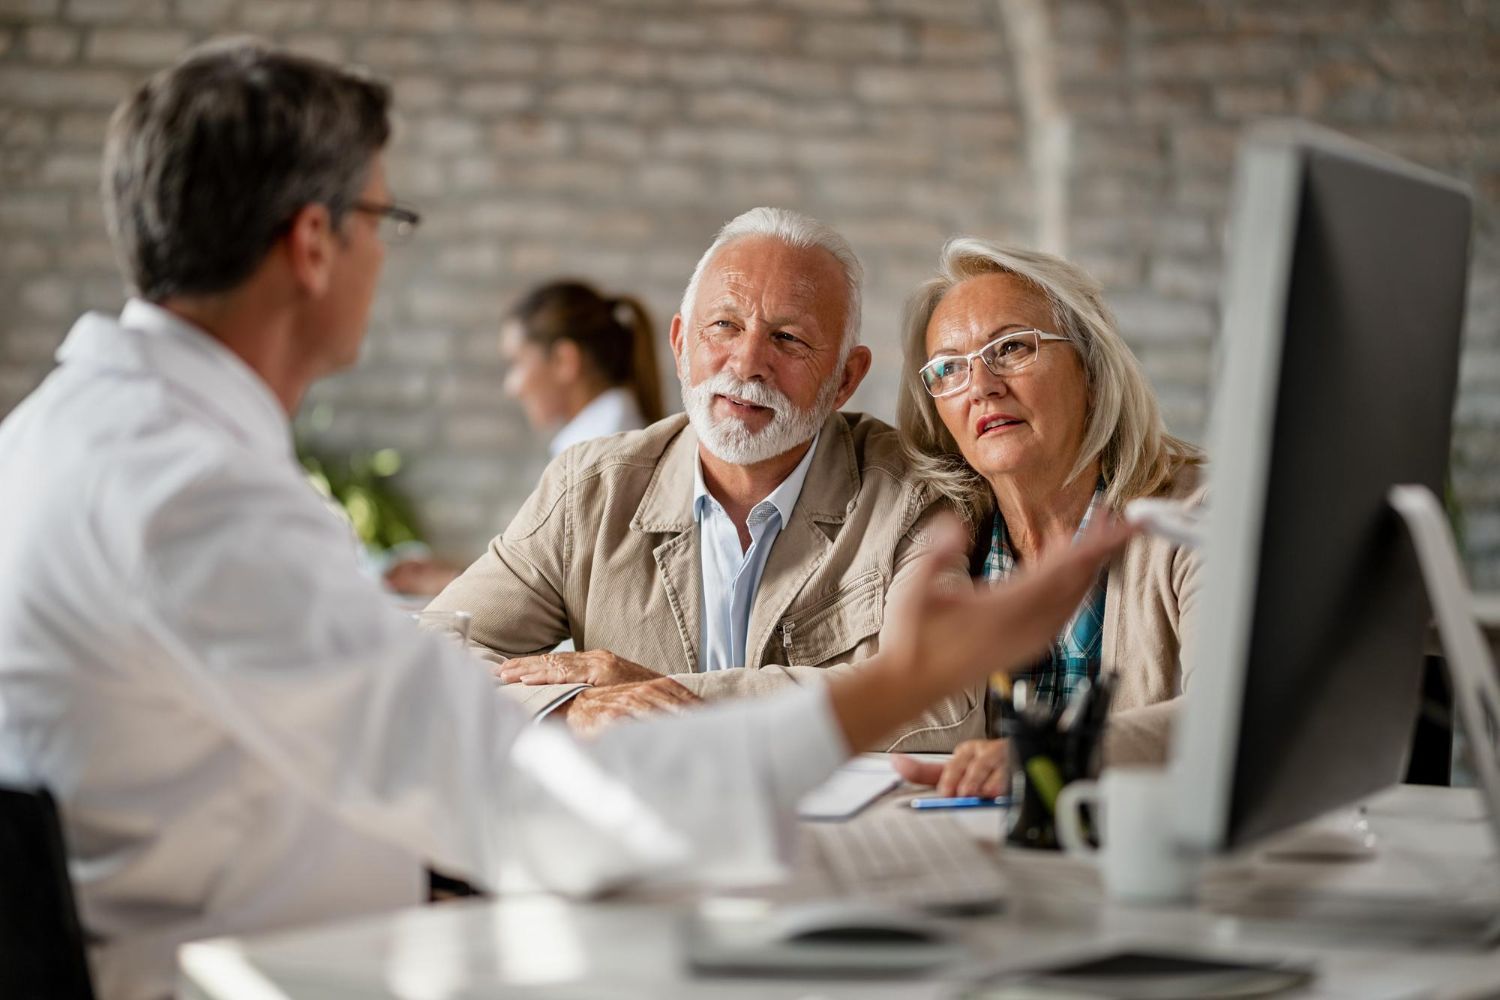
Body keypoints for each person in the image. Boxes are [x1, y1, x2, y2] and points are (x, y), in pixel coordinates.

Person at [0, 42, 1130, 999]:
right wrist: (880, 684)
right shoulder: (199, 495)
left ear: (844, 375)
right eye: (385, 219)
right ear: (313, 243)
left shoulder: (60, 436)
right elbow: (533, 810)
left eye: (788, 339)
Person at [427, 208, 990, 750]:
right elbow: (436, 651)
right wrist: (569, 707)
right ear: (680, 346)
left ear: (845, 379)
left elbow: (941, 698)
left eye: (788, 338)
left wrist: (661, 699)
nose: (746, 363)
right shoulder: (589, 490)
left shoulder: (909, 492)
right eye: (724, 325)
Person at [891, 239, 1204, 797]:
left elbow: (1231, 709)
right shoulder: (939, 538)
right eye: (949, 369)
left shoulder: (1196, 514)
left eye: (1011, 348)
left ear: (1091, 368)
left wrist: (1056, 756)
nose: (982, 387)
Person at [387, 279, 663, 597]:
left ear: (563, 361)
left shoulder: (602, 455)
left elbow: (566, 600)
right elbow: (558, 572)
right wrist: (457, 573)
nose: (512, 386)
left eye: (516, 363)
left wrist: (450, 583)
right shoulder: (604, 438)